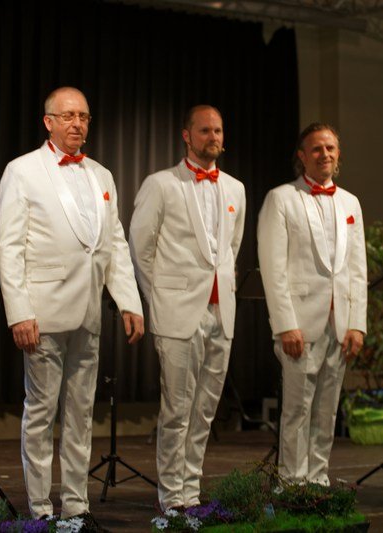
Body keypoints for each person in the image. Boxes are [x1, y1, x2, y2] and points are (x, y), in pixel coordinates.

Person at [0, 87, 143, 526]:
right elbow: (9, 247)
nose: (78, 123)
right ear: (49, 122)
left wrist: (129, 301)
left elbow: (114, 243)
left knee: (81, 414)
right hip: (42, 312)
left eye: (83, 117)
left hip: (89, 312)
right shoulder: (22, 170)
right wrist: (19, 312)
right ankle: (41, 509)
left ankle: (77, 507)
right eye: (68, 116)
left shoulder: (101, 175)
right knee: (41, 412)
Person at [129, 105, 245, 511]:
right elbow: (140, 248)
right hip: (177, 311)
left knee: (206, 410)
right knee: (177, 409)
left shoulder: (235, 188)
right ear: (187, 135)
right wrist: (159, 299)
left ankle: (191, 491)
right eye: (205, 130)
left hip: (220, 311)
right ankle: (171, 497)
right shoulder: (161, 184)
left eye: (218, 130)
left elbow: (230, 250)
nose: (213, 137)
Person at [257, 123, 367, 485]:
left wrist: (357, 324)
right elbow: (273, 268)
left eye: (330, 148)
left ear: (339, 154)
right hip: (300, 324)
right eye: (317, 149)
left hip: (339, 323)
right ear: (302, 156)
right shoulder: (281, 198)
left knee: (327, 411)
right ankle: (292, 484)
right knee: (297, 410)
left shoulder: (350, 202)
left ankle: (318, 481)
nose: (325, 154)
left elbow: (357, 268)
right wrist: (285, 324)